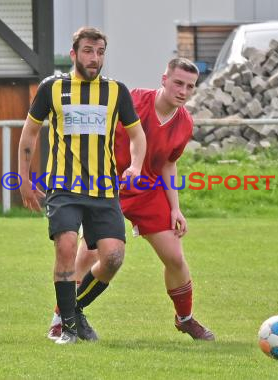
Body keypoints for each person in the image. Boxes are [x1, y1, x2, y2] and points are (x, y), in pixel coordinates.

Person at [47, 58, 215, 341]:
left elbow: (167, 165)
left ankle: (184, 319)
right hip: (106, 186)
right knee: (89, 253)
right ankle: (59, 320)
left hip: (147, 192)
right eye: (178, 83)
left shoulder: (185, 123)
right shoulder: (134, 99)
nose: (183, 91)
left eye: (190, 86)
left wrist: (176, 208)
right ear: (164, 80)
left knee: (175, 257)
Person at [18, 26, 146, 345]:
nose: (95, 58)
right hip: (64, 186)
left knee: (113, 256)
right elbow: (29, 133)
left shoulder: (117, 91)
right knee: (65, 246)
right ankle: (70, 331)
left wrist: (136, 165)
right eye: (88, 51)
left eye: (100, 52)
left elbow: (137, 136)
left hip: (104, 190)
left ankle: (70, 313)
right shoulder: (52, 88)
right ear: (74, 54)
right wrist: (23, 179)